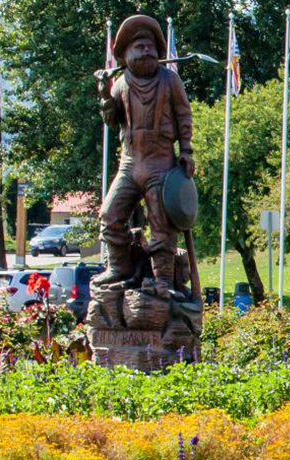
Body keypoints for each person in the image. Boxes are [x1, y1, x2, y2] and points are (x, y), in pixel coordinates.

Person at [94, 15, 194, 296]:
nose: (146, 51)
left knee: (162, 224)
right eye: (139, 46)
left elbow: (184, 115)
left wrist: (186, 150)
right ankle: (119, 267)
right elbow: (112, 120)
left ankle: (163, 278)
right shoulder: (121, 83)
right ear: (126, 54)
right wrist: (104, 95)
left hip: (161, 163)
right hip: (130, 163)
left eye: (150, 46)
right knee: (110, 215)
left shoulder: (169, 80)